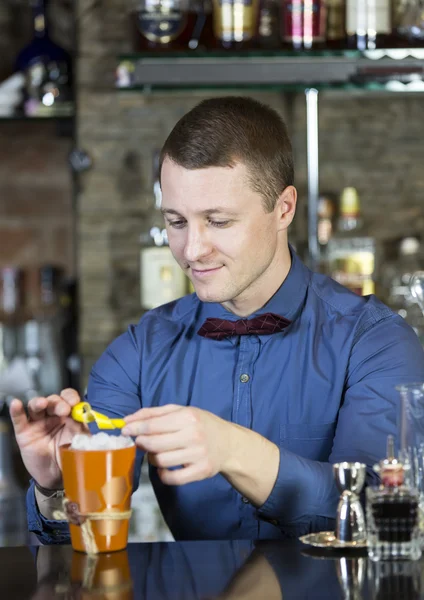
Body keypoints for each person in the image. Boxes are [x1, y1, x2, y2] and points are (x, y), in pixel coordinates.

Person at [11, 96, 424, 543]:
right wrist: (59, 486)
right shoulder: (138, 352)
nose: (191, 250)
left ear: (284, 209)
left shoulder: (376, 343)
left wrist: (232, 449)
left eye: (219, 221)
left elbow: (382, 521)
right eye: (177, 221)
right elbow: (83, 546)